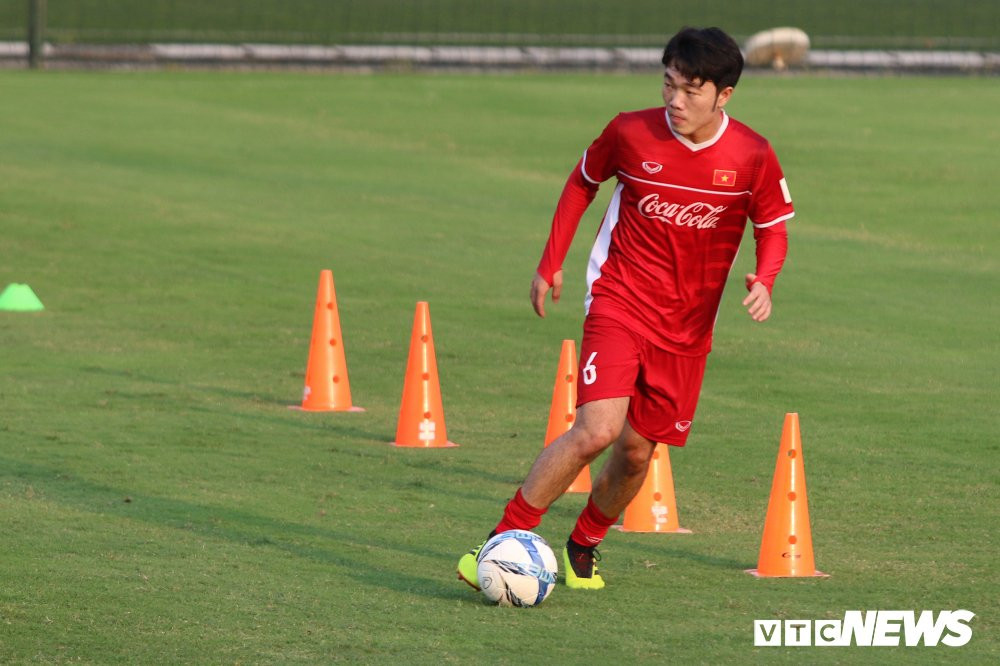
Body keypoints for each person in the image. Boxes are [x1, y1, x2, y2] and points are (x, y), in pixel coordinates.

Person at [458, 26, 794, 590]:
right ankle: (499, 542)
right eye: (668, 84)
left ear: (724, 95)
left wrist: (766, 278)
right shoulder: (630, 131)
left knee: (637, 453)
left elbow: (773, 226)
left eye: (690, 91)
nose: (675, 101)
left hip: (687, 329)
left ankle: (584, 543)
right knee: (597, 430)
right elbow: (581, 182)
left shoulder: (752, 154)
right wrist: (551, 261)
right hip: (619, 299)